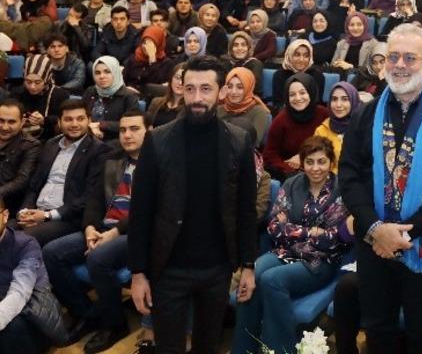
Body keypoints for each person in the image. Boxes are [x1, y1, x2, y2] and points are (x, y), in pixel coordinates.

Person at [339, 23, 422, 353]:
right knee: (377, 328)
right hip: (372, 243)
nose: (399, 65)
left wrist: (403, 233)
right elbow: (349, 176)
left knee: (420, 331)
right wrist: (376, 229)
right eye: (393, 57)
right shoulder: (364, 115)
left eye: (410, 58)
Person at [128, 56, 257, 354]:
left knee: (207, 346)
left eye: (205, 89)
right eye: (190, 89)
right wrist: (138, 273)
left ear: (221, 92)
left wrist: (248, 265)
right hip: (168, 268)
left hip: (217, 268)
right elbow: (140, 212)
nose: (197, 98)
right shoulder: (157, 140)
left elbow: (246, 210)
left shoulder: (239, 141)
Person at [42, 110, 150, 352]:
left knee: (99, 258)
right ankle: (88, 313)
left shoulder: (159, 163)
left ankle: (115, 323)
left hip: (137, 232)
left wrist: (114, 233)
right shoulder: (112, 159)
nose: (127, 135)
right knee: (51, 253)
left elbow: (149, 209)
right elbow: (95, 199)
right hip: (103, 227)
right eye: (122, 130)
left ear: (149, 131)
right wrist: (90, 227)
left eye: (134, 129)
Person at [233, 135, 351, 354]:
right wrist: (311, 232)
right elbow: (274, 228)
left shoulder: (342, 190)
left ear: (331, 162)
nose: (315, 168)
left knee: (271, 280)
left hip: (319, 262)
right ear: (302, 163)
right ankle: (243, 349)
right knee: (252, 275)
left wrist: (292, 229)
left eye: (322, 162)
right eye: (310, 162)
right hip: (284, 252)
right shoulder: (291, 184)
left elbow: (334, 240)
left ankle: (280, 350)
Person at [12, 99, 111, 246]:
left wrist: (47, 215)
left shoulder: (99, 151)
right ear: (59, 122)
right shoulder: (51, 144)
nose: (74, 124)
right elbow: (34, 185)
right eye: (68, 119)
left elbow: (89, 196)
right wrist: (24, 211)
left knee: (19, 240)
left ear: (89, 120)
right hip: (36, 212)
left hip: (67, 218)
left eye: (80, 119)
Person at [0, 197, 56, 354]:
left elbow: (20, 292)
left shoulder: (26, 244)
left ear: (5, 216)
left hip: (31, 311)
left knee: (13, 327)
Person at [264, 72, 329, 181]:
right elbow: (269, 155)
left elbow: (332, 145)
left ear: (311, 92)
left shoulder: (324, 115)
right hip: (291, 175)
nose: (298, 98)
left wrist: (303, 157)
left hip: (321, 169)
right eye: (292, 95)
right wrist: (289, 170)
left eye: (302, 93)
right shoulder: (280, 120)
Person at [11, 54, 70, 141]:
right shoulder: (17, 92)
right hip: (19, 140)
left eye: (38, 82)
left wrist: (44, 121)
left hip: (48, 141)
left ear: (46, 79)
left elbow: (64, 119)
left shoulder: (59, 94)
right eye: (28, 81)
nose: (32, 87)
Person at [82, 56, 140, 141]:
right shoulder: (90, 91)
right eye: (97, 73)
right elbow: (81, 114)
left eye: (107, 72)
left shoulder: (129, 96)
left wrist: (100, 125)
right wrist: (90, 128)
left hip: (115, 141)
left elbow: (131, 123)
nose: (102, 76)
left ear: (115, 72)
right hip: (87, 136)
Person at [0, 99, 42, 214]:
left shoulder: (31, 146)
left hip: (8, 205)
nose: (5, 127)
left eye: (11, 122)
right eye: (1, 120)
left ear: (22, 122)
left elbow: (22, 181)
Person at [313, 81, 361, 171]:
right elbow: (319, 165)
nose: (338, 105)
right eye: (334, 99)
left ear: (353, 101)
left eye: (345, 99)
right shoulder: (321, 131)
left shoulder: (363, 128)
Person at [217, 67, 270, 147]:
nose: (233, 92)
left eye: (240, 87)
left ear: (248, 87)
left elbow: (254, 142)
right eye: (230, 86)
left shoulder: (258, 112)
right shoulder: (218, 109)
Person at [147, 62, 185, 127]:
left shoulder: (190, 109)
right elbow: (146, 124)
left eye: (184, 79)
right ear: (171, 79)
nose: (180, 83)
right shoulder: (156, 102)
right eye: (177, 77)